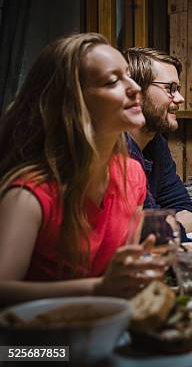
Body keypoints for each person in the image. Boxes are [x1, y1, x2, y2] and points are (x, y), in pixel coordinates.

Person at [0, 33, 164, 305]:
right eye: (112, 81)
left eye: (127, 75)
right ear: (73, 103)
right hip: (36, 344)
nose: (134, 87)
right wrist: (99, 288)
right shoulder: (28, 195)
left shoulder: (132, 175)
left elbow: (125, 274)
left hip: (106, 334)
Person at [123, 48, 192, 239]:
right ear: (136, 91)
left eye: (178, 89)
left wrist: (168, 227)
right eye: (170, 88)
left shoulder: (155, 142)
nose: (180, 98)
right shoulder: (119, 152)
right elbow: (148, 238)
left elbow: (182, 206)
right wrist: (177, 227)